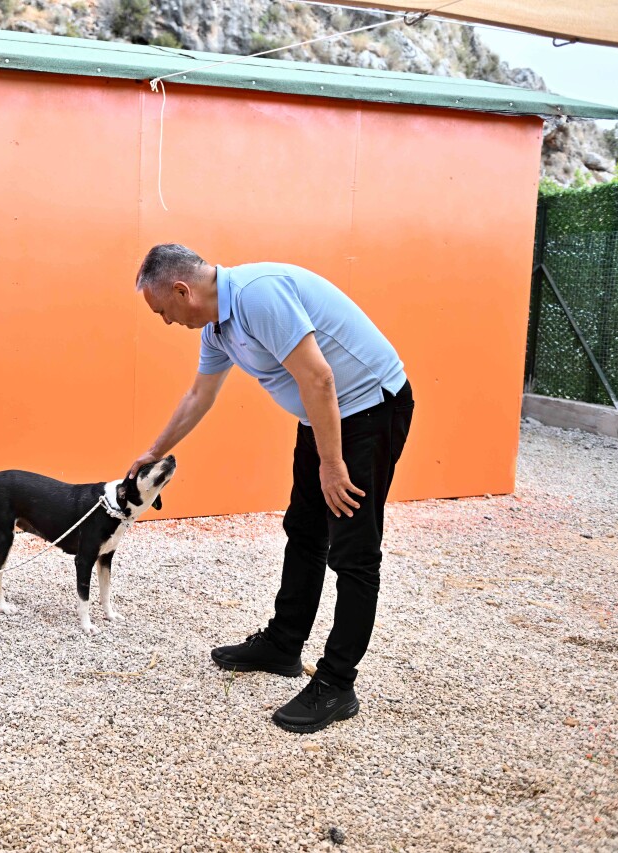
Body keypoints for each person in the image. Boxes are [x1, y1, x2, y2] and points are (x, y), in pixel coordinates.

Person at [128, 243, 414, 732]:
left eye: (163, 311)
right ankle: (284, 644)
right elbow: (199, 396)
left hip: (370, 409)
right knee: (303, 530)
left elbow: (319, 378)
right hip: (323, 416)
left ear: (181, 291)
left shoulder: (258, 296)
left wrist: (332, 464)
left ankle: (337, 683)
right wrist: (154, 452)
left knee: (354, 551)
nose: (167, 321)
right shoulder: (218, 329)